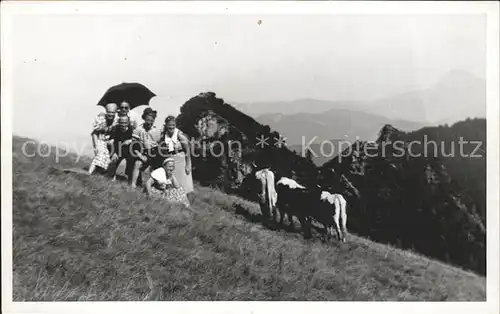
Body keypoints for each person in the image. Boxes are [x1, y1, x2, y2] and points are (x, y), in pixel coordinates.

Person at [157, 116, 194, 193]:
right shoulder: (164, 135)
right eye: (169, 125)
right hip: (170, 159)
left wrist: (188, 165)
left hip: (180, 159)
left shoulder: (180, 135)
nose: (171, 127)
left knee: (183, 182)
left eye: (173, 125)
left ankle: (185, 200)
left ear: (175, 125)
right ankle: (175, 199)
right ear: (166, 125)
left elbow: (187, 150)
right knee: (173, 181)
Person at [130, 107, 161, 188]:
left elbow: (159, 143)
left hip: (155, 152)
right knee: (137, 163)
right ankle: (133, 184)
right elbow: (134, 145)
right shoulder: (138, 129)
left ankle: (157, 185)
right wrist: (140, 155)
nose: (149, 122)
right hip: (143, 152)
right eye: (147, 120)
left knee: (158, 167)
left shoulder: (157, 130)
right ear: (144, 118)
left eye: (151, 120)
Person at [89, 103, 118, 175]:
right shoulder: (101, 119)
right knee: (99, 154)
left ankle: (99, 173)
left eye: (113, 112)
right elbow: (94, 133)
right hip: (100, 139)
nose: (111, 114)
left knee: (107, 158)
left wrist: (113, 140)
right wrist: (95, 147)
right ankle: (89, 172)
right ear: (106, 112)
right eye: (109, 112)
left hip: (110, 141)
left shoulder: (116, 121)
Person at [107, 115, 135, 182]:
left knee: (131, 158)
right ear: (119, 122)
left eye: (125, 123)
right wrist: (113, 153)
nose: (123, 125)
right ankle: (114, 175)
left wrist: (130, 140)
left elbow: (135, 140)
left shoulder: (131, 129)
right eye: (121, 123)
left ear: (128, 122)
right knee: (117, 157)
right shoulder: (116, 129)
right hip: (117, 149)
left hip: (128, 150)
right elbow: (110, 142)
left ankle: (129, 178)